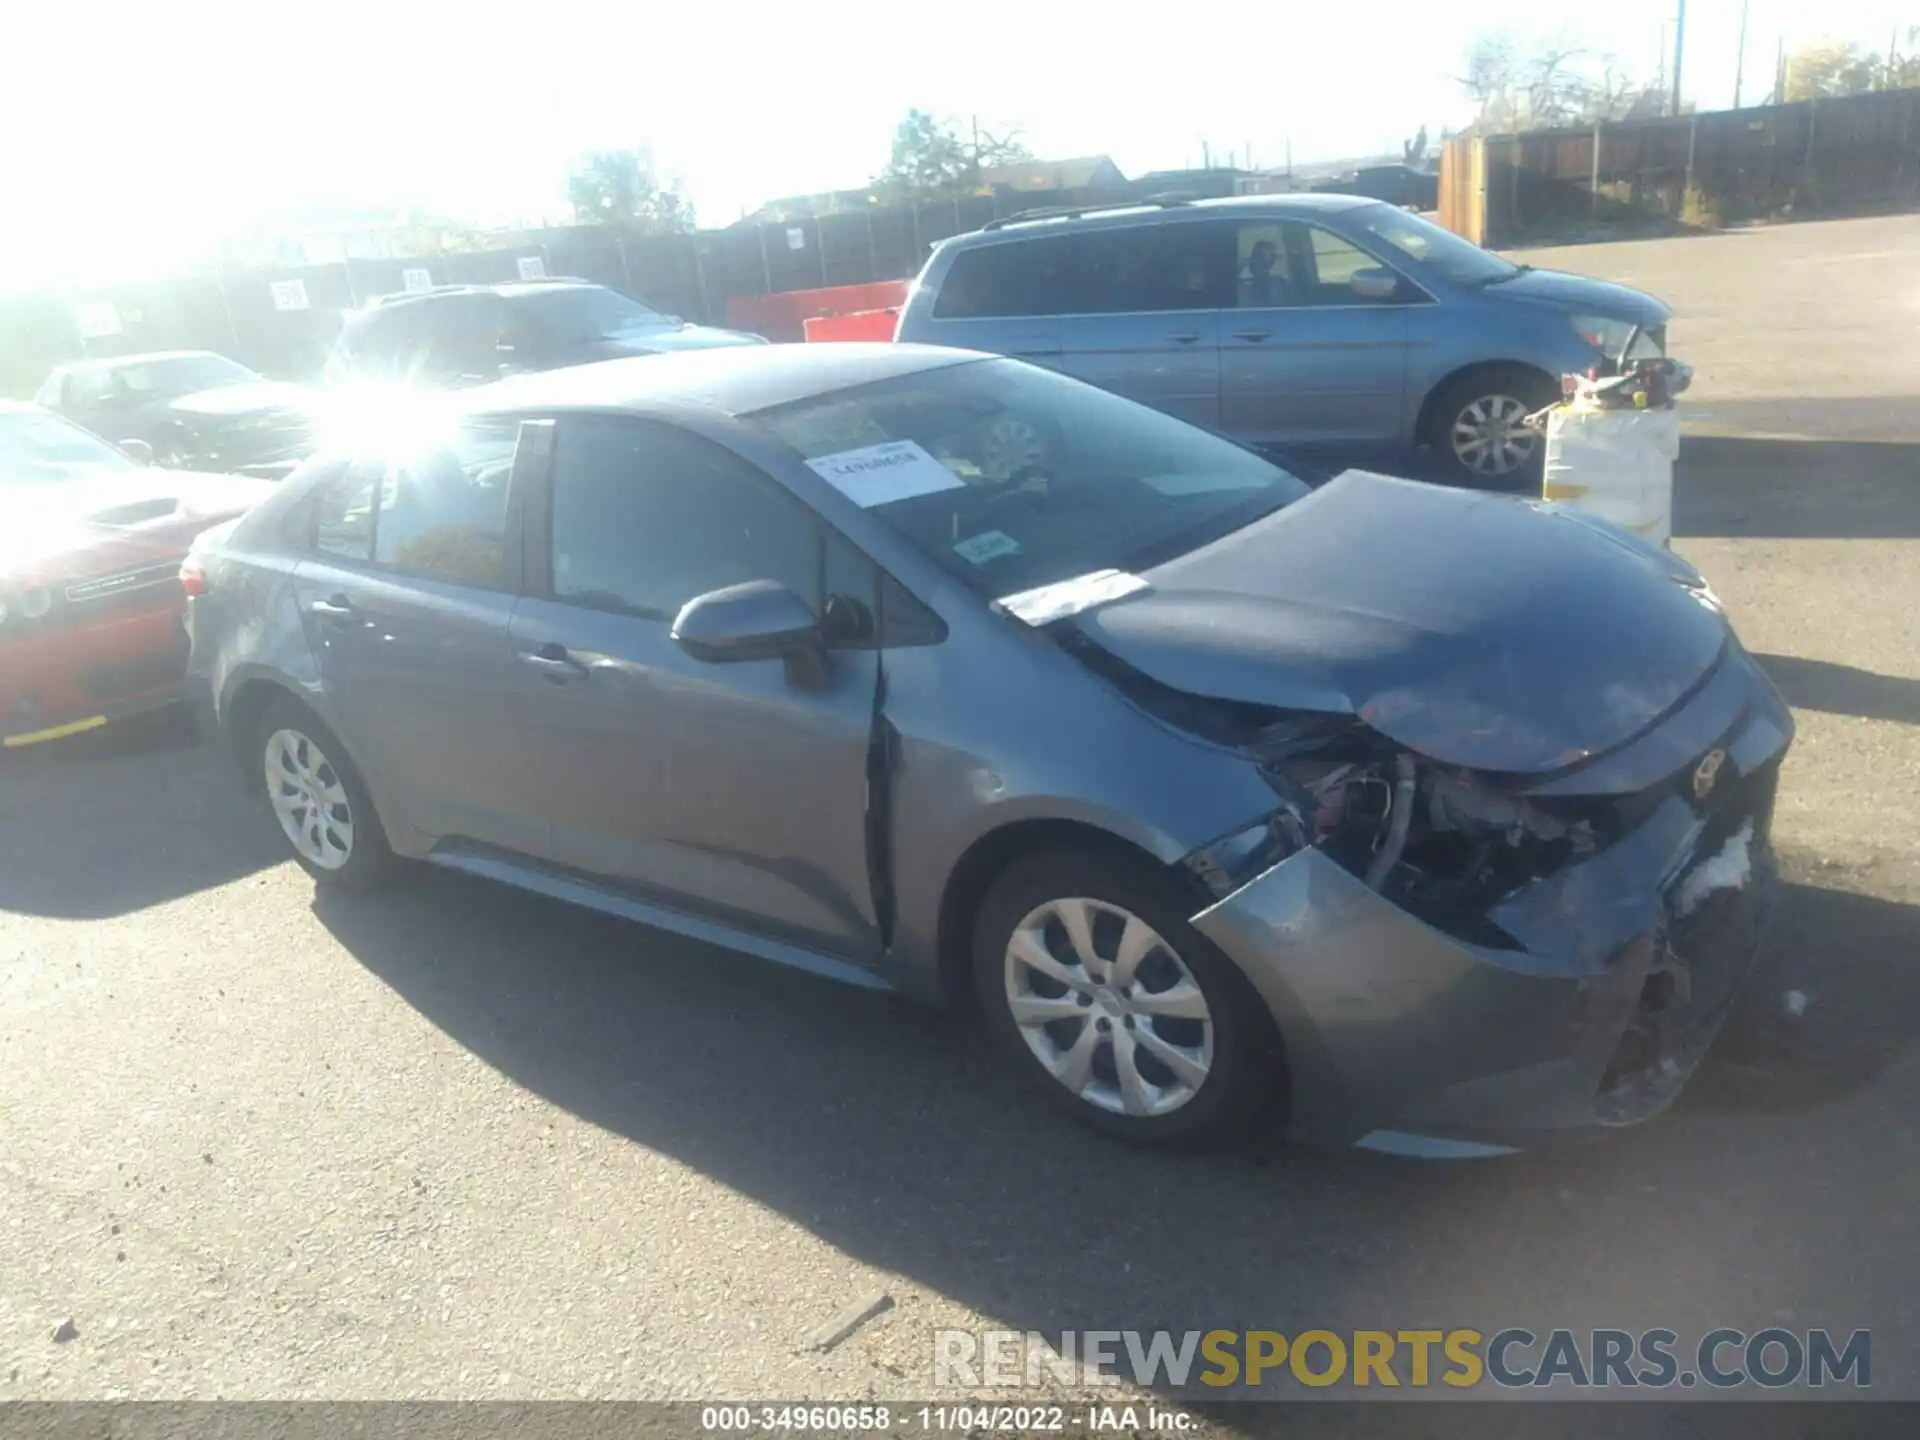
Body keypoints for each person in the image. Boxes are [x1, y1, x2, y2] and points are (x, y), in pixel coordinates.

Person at [1241, 239, 1288, 306]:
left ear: (1271, 262)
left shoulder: (1281, 286)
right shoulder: (1241, 286)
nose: (1252, 259)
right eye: (1253, 254)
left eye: (1258, 255)